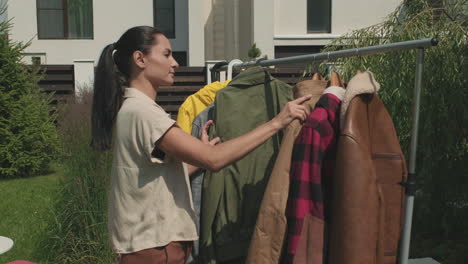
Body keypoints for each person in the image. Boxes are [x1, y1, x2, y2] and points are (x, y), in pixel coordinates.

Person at [91, 26, 312, 264]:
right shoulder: (144, 113)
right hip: (156, 250)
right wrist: (277, 123)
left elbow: (159, 177)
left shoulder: (133, 109)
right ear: (140, 59)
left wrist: (196, 153)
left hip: (150, 247)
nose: (175, 63)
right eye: (166, 55)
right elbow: (214, 160)